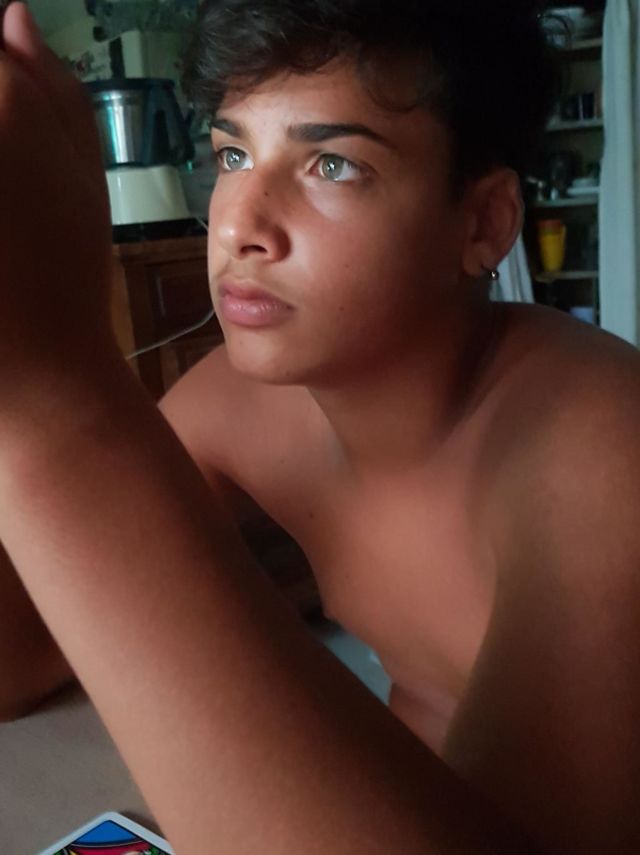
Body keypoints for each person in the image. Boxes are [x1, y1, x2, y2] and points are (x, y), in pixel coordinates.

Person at [0, 0, 638, 852]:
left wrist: (58, 404)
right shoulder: (242, 403)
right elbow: (21, 656)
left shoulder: (599, 448)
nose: (238, 225)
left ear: (483, 222)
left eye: (332, 165)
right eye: (232, 154)